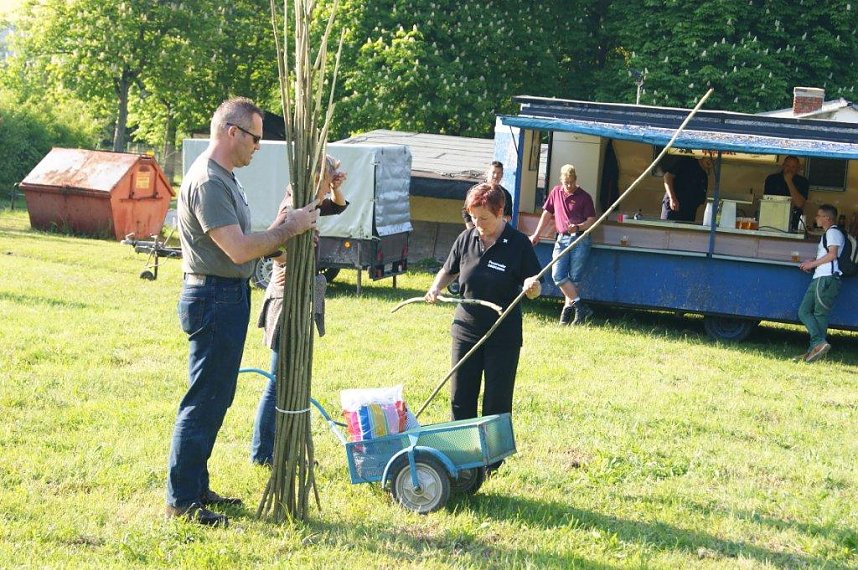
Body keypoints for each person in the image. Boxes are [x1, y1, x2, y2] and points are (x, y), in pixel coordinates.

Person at [166, 97, 318, 527]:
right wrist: (290, 228)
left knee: (216, 398)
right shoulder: (209, 183)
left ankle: (196, 486)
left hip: (224, 296)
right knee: (204, 401)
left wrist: (286, 223)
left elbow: (250, 241)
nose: (258, 146)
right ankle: (181, 501)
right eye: (255, 137)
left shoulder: (225, 178)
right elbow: (238, 250)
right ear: (232, 132)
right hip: (213, 296)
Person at [251, 155, 348, 466]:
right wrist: (287, 262)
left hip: (302, 298)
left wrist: (335, 189)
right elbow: (269, 243)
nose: (324, 194)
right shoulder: (294, 206)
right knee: (280, 378)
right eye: (323, 185)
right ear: (312, 180)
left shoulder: (312, 202)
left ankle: (285, 449)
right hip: (286, 298)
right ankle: (264, 453)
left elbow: (339, 206)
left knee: (294, 375)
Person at [426, 183, 541, 443]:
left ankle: (493, 458)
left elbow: (535, 288)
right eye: (473, 216)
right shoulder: (466, 238)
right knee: (460, 396)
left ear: (501, 212)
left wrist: (531, 287)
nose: (478, 222)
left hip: (503, 334)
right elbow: (449, 270)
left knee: (496, 400)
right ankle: (463, 451)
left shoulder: (518, 244)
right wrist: (435, 287)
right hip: (466, 329)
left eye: (484, 218)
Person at [528, 164, 596, 326]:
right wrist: (537, 233)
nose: (569, 186)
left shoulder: (584, 197)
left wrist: (579, 227)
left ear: (575, 179)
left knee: (574, 278)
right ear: (561, 180)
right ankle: (580, 306)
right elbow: (546, 214)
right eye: (566, 183)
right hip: (561, 238)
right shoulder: (555, 192)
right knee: (558, 275)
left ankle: (567, 316)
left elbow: (592, 221)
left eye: (571, 182)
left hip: (580, 239)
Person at [797, 204, 844, 363]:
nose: (816, 218)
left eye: (818, 215)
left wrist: (812, 264)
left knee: (819, 314)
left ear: (827, 218)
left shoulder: (833, 233)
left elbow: (832, 255)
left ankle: (816, 347)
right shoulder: (829, 234)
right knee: (804, 311)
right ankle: (816, 347)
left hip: (826, 278)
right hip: (820, 277)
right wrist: (814, 261)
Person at [660, 154, 712, 222]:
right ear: (704, 156)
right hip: (673, 208)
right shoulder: (686, 162)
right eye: (710, 157)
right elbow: (667, 176)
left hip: (689, 213)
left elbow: (701, 200)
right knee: (666, 230)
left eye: (714, 160)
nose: (711, 161)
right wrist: (672, 198)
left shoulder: (704, 176)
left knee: (684, 232)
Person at [462, 161, 513, 228]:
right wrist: (471, 230)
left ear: (502, 175)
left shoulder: (506, 195)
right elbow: (466, 211)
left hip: (496, 233)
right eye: (493, 172)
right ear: (487, 173)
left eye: (499, 173)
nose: (496, 176)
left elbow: (509, 216)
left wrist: (498, 220)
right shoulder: (475, 190)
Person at [764, 155, 809, 232]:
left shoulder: (803, 182)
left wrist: (789, 181)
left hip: (794, 221)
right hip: (772, 219)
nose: (790, 169)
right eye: (787, 166)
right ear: (783, 165)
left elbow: (799, 204)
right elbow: (767, 201)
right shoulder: (772, 179)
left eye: (793, 167)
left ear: (797, 168)